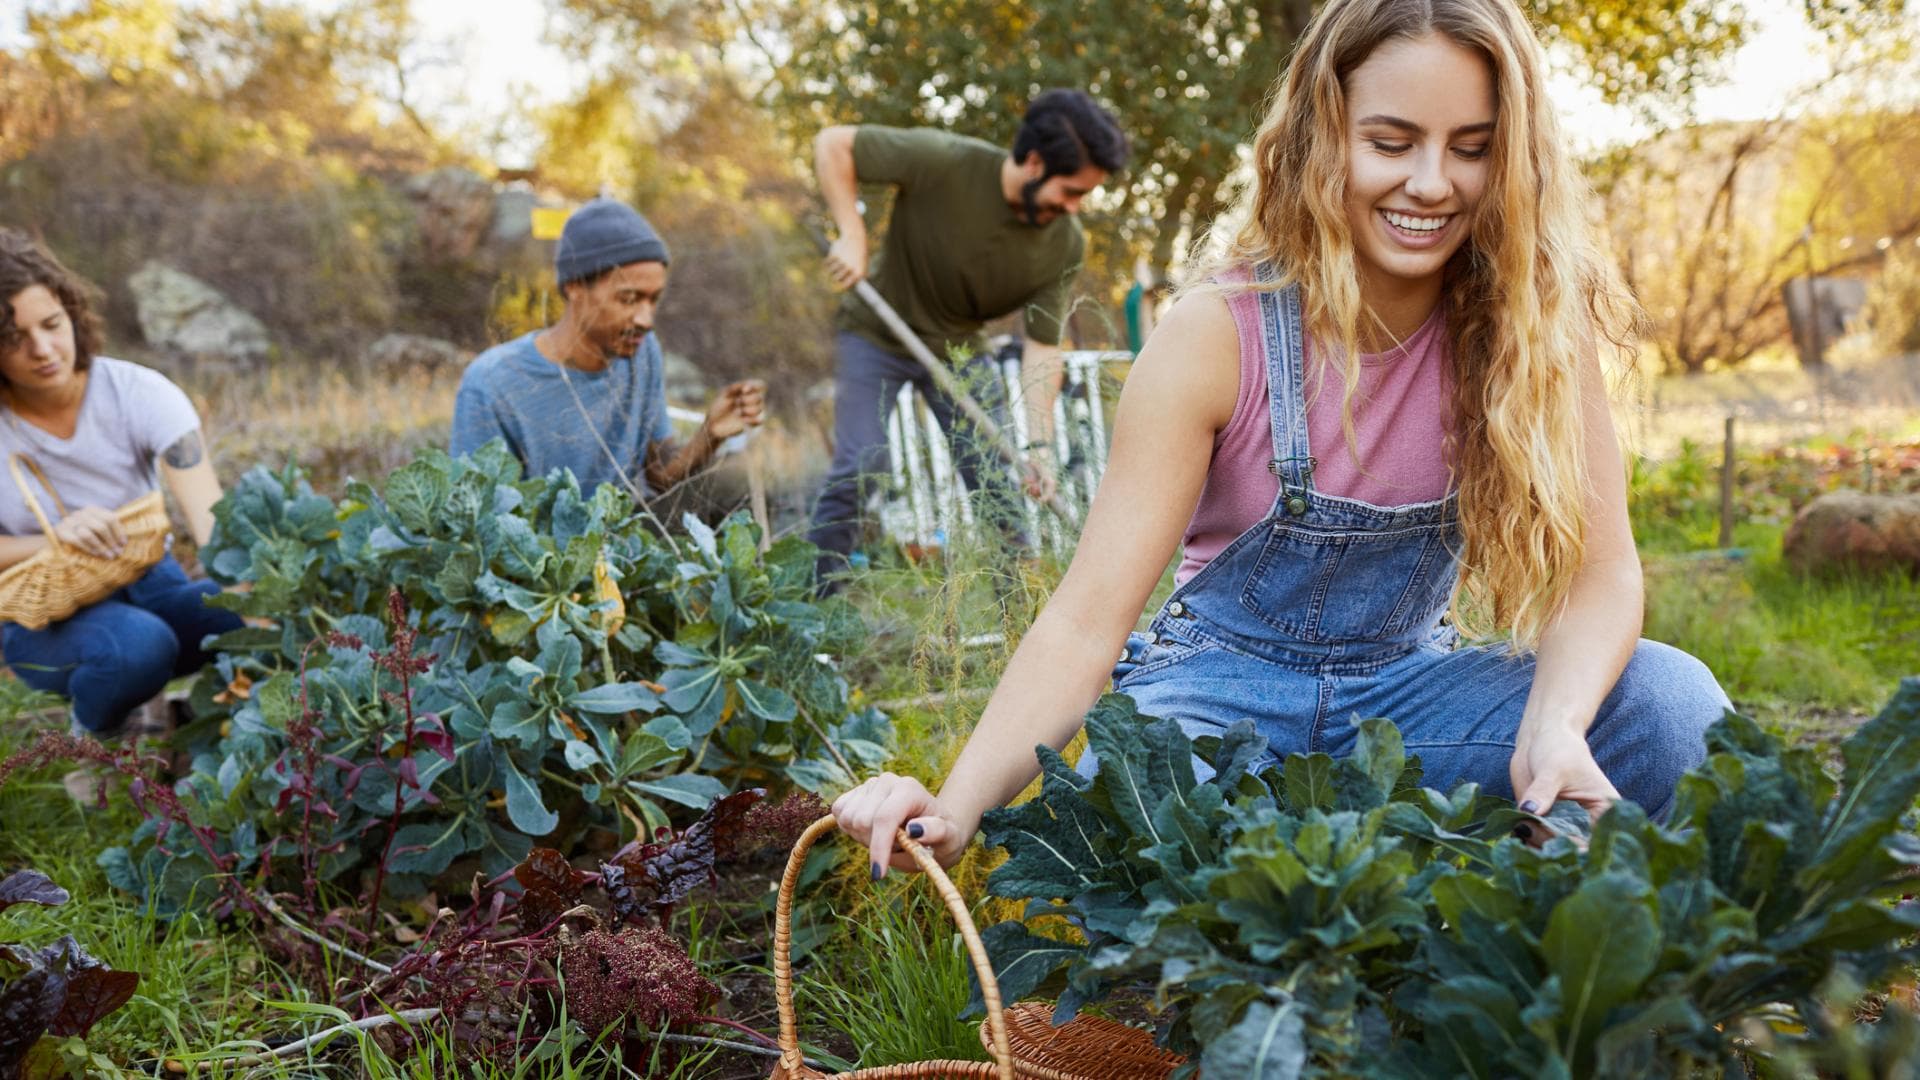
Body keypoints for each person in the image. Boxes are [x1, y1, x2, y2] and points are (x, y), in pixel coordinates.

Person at [831, 0, 1733, 879]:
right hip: (1216, 701)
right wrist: (954, 812)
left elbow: (1600, 571)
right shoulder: (1216, 335)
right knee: (1139, 796)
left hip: (1406, 700)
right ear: (1321, 137)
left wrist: (1554, 725)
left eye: (1472, 148)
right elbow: (1084, 622)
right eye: (1390, 143)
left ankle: (1535, 919)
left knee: (1671, 706)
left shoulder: (1533, 331)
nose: (1432, 183)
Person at [807, 90, 1130, 591]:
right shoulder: (944, 161)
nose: (1074, 207)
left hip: (958, 349)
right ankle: (817, 601)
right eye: (1070, 191)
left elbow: (1043, 348)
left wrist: (1040, 447)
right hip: (876, 334)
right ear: (1034, 162)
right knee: (861, 462)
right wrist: (852, 233)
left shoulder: (1065, 243)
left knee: (996, 478)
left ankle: (1019, 609)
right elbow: (833, 144)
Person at [0, 229, 243, 757]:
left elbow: (211, 522)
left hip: (152, 582)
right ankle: (92, 747)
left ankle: (226, 735)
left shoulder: (138, 393)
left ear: (71, 313)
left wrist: (255, 594)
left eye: (51, 324)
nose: (43, 349)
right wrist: (55, 538)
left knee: (244, 610)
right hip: (45, 616)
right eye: (13, 337)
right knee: (137, 646)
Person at [451, 197, 765, 497]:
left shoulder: (642, 352)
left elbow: (659, 475)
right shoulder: (491, 384)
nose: (646, 320)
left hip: (617, 538)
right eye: (628, 299)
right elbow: (478, 520)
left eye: (653, 299)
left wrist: (710, 435)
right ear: (575, 287)